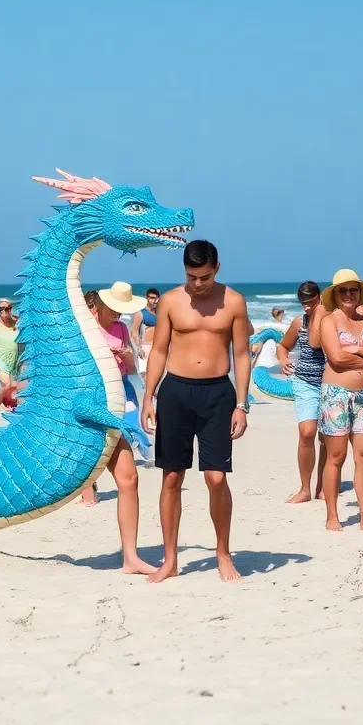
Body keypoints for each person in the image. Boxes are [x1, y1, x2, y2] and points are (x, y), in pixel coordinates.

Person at [142, 240, 251, 584]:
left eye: (203, 277)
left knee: (216, 477)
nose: (197, 284)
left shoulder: (233, 301)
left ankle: (223, 553)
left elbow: (243, 355)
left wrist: (242, 404)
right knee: (172, 477)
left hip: (218, 394)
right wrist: (149, 396)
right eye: (191, 276)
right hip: (176, 392)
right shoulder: (172, 301)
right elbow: (159, 349)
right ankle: (170, 559)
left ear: (217, 268)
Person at [78, 285, 155, 574]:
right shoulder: (82, 327)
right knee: (83, 471)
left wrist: (124, 355)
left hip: (117, 400)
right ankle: (87, 493)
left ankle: (131, 557)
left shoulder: (122, 328)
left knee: (129, 478)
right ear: (97, 307)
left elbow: (132, 370)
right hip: (90, 403)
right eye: (114, 308)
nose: (119, 313)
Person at [317, 270, 363, 532]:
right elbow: (336, 359)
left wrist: (358, 349)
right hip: (336, 394)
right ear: (335, 295)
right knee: (336, 456)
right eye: (343, 290)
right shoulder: (329, 321)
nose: (349, 295)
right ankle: (332, 516)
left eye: (353, 290)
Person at [275, 280, 327, 504]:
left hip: (330, 383)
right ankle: (305, 488)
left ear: (320, 298)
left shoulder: (330, 320)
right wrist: (283, 359)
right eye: (303, 303)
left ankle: (322, 486)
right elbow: (283, 345)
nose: (307, 307)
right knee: (307, 433)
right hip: (305, 382)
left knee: (326, 438)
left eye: (311, 302)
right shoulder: (299, 323)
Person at [131, 288, 160, 373]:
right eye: (152, 298)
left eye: (157, 298)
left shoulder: (160, 313)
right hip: (146, 347)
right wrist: (139, 348)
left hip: (158, 347)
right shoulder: (140, 313)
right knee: (146, 373)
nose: (155, 301)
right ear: (146, 298)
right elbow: (134, 331)